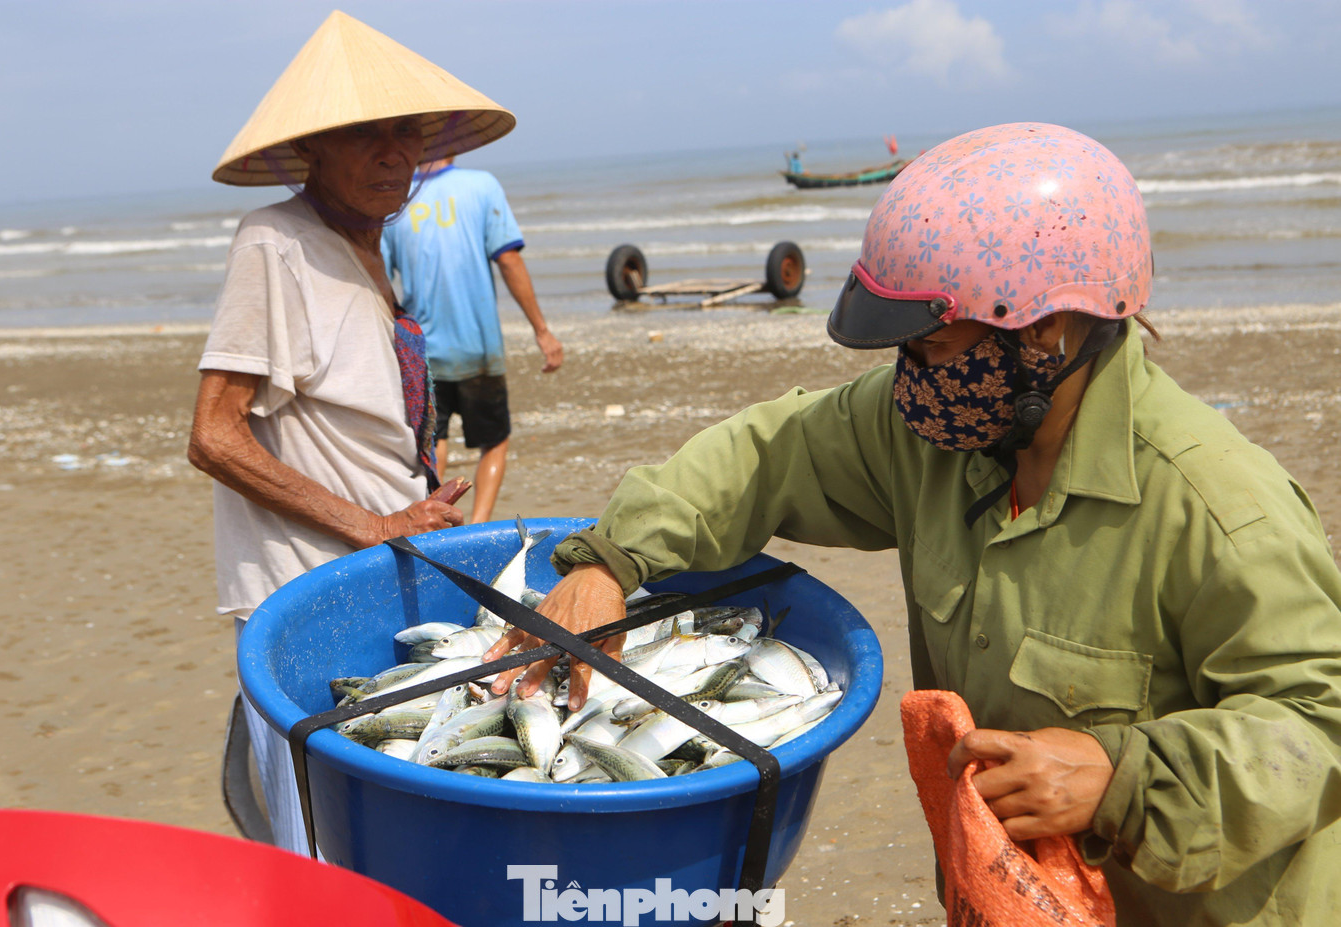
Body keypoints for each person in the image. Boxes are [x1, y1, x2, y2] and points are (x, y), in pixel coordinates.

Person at [487, 123, 1341, 924]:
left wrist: (1121, 777)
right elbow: (767, 453)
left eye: (930, 349)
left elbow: (1319, 719)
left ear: (1042, 333)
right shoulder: (942, 430)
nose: (908, 381)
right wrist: (608, 562)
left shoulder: (1220, 507)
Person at [187, 10, 515, 854]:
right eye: (363, 133)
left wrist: (415, 490)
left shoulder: (374, 247)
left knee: (388, 836)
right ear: (310, 151)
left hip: (379, 582)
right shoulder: (276, 242)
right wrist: (371, 523)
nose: (392, 152)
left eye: (406, 132)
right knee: (314, 843)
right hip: (306, 594)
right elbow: (216, 437)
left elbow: (358, 410)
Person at [382, 157, 563, 523]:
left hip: (423, 351)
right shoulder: (482, 185)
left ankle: (436, 521)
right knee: (493, 439)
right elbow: (509, 260)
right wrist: (541, 330)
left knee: (436, 440)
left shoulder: (395, 198)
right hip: (478, 345)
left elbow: (380, 282)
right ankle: (478, 524)